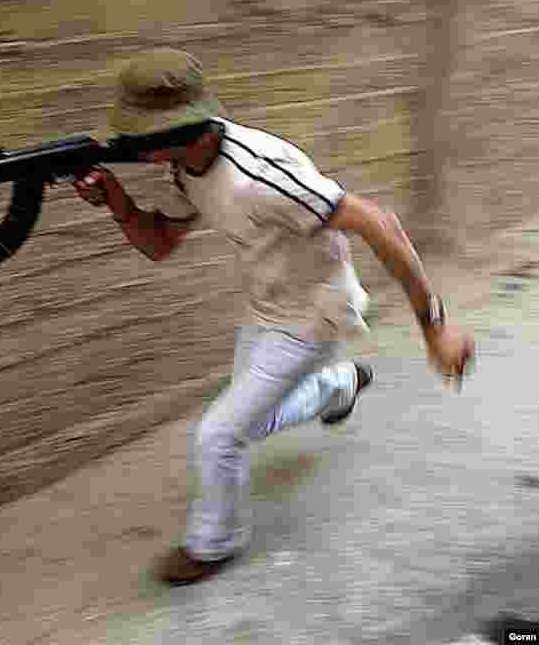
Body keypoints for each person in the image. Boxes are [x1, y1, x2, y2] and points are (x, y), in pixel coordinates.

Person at [72, 48, 476, 585]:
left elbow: (380, 224)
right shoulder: (188, 167)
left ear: (188, 125)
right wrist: (116, 200)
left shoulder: (263, 172)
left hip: (315, 314)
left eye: (144, 136)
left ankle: (213, 544)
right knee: (252, 423)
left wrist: (436, 329)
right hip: (267, 307)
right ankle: (339, 386)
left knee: (218, 436)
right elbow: (160, 244)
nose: (136, 147)